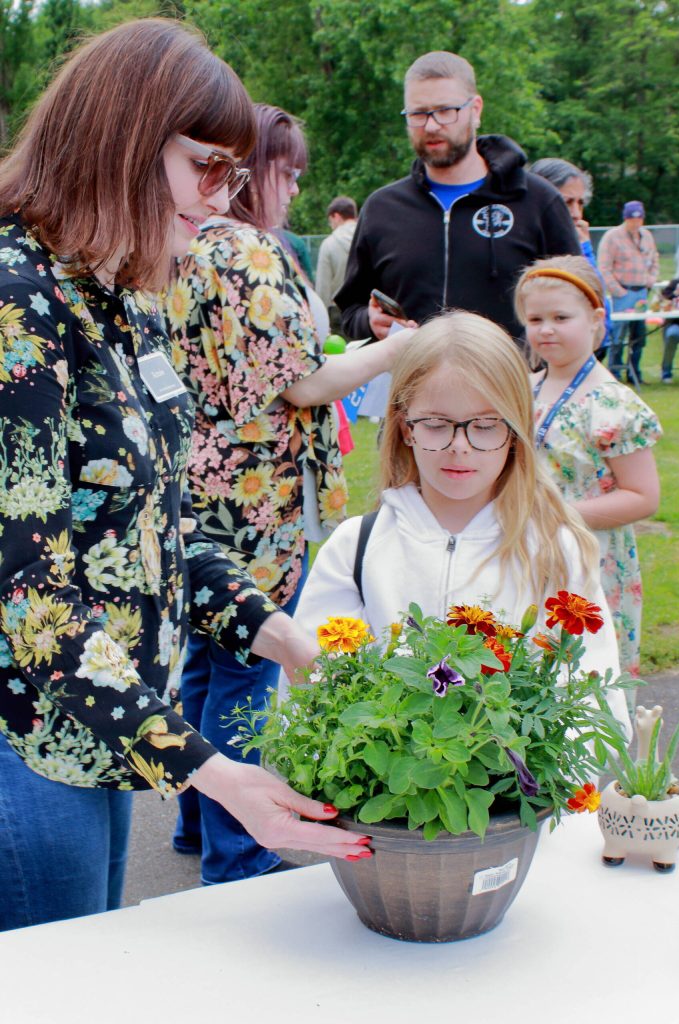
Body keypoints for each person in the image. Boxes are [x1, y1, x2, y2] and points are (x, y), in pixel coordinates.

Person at [0, 19, 371, 934]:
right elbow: (26, 592)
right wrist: (210, 770)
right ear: (121, 140)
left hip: (105, 727)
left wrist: (282, 636)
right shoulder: (18, 298)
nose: (225, 198)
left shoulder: (122, 293)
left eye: (238, 175)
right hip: (27, 737)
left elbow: (155, 526)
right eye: (209, 165)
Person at [167, 104, 413, 883]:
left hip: (197, 479)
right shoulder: (246, 251)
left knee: (209, 660)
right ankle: (236, 853)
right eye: (289, 171)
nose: (295, 190)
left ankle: (195, 823)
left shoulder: (187, 243)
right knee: (246, 668)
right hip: (253, 489)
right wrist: (393, 350)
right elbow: (301, 384)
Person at [284, 310, 631, 739]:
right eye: (435, 424)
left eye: (485, 426)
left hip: (531, 804)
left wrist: (536, 793)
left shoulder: (555, 548)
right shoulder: (356, 547)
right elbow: (308, 696)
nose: (460, 447)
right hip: (385, 802)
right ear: (404, 427)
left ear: (518, 429)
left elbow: (597, 704)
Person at [336, 50, 580, 344]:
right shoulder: (382, 209)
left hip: (509, 387)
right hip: (412, 385)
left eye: (445, 110)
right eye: (418, 114)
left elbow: (578, 308)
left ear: (475, 109)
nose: (431, 125)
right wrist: (370, 322)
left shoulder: (537, 201)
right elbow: (350, 311)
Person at [514, 255, 661, 688]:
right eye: (535, 318)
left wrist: (559, 514)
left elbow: (643, 496)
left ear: (596, 318)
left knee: (583, 677)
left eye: (561, 317)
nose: (546, 329)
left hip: (588, 556)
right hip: (526, 549)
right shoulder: (525, 387)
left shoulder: (614, 404)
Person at [529, 157, 611, 355]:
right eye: (567, 202)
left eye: (580, 203)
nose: (576, 213)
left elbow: (595, 299)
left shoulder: (581, 244)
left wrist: (584, 248)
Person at [597, 200, 659, 383]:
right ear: (625, 218)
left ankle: (634, 372)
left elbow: (655, 259)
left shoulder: (646, 236)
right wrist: (619, 291)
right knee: (618, 335)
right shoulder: (612, 237)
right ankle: (614, 372)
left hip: (642, 292)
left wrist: (651, 280)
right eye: (632, 219)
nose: (636, 222)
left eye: (639, 218)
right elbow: (604, 268)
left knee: (639, 335)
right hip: (623, 293)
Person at [315, 196, 358, 333]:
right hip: (370, 310)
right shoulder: (369, 237)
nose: (331, 226)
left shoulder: (329, 244)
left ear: (336, 216)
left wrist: (320, 319)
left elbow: (323, 287)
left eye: (330, 221)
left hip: (339, 312)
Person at [660, 275, 679, 383]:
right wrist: (675, 293)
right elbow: (661, 301)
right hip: (676, 323)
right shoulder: (675, 283)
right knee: (672, 334)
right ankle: (666, 372)